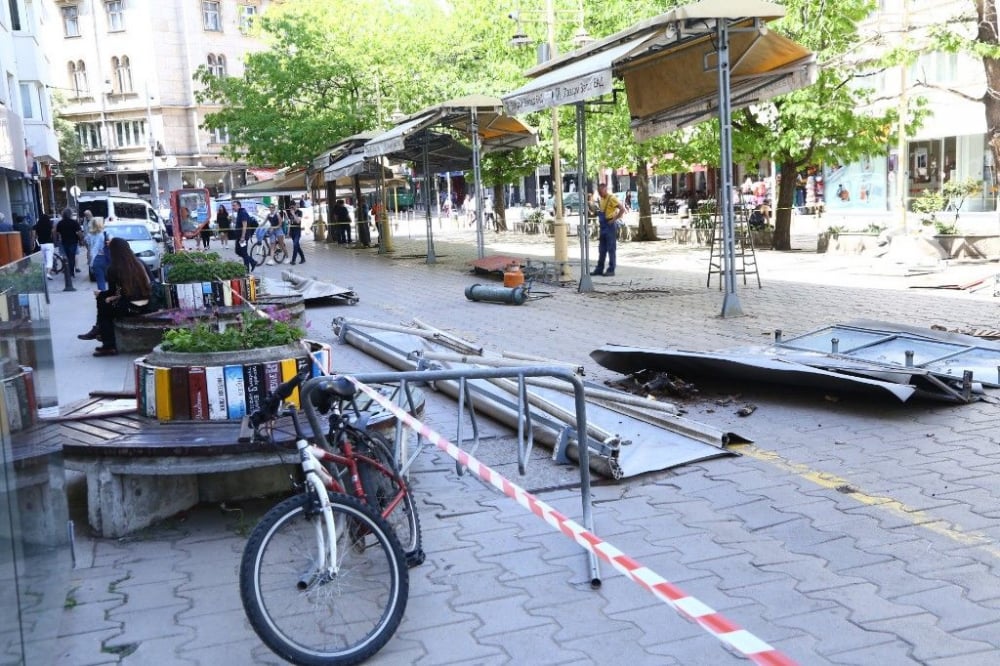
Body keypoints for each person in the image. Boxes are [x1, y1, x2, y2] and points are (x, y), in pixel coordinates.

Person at [84, 237, 153, 357]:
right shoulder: (139, 263)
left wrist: (101, 294)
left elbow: (112, 291)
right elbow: (151, 282)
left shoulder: (114, 268)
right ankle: (99, 330)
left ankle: (107, 343)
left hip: (131, 308)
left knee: (103, 307)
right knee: (105, 303)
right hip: (148, 305)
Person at [590, 183, 625, 277]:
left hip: (610, 225)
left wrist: (614, 219)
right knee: (601, 249)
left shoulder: (612, 198)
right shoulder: (601, 199)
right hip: (603, 226)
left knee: (611, 248)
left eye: (601, 192)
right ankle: (599, 269)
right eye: (599, 193)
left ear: (605, 190)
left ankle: (611, 269)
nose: (600, 194)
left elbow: (622, 209)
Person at [54, 207, 83, 291]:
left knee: (65, 257)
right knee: (72, 257)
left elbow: (57, 232)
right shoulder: (74, 222)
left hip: (64, 242)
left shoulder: (60, 223)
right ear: (70, 214)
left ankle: (68, 271)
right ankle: (71, 272)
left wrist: (56, 240)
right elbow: (79, 232)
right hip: (73, 242)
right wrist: (81, 240)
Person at [83, 212, 109, 290]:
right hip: (105, 257)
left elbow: (89, 247)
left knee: (100, 281)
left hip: (95, 259)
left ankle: (102, 297)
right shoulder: (104, 234)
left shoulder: (89, 236)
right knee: (111, 279)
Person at [231, 200, 258, 272]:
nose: (233, 207)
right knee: (238, 251)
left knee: (244, 253)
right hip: (239, 237)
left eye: (234, 205)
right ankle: (252, 262)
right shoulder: (239, 213)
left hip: (242, 237)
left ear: (239, 206)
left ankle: (246, 270)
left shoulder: (242, 213)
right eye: (232, 205)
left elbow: (244, 225)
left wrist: (243, 237)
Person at [33, 211, 55, 279]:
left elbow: (34, 236)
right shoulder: (50, 226)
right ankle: (48, 273)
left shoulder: (36, 226)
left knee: (43, 260)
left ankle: (44, 273)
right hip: (49, 244)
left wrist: (34, 241)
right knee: (49, 259)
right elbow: (52, 235)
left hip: (41, 244)